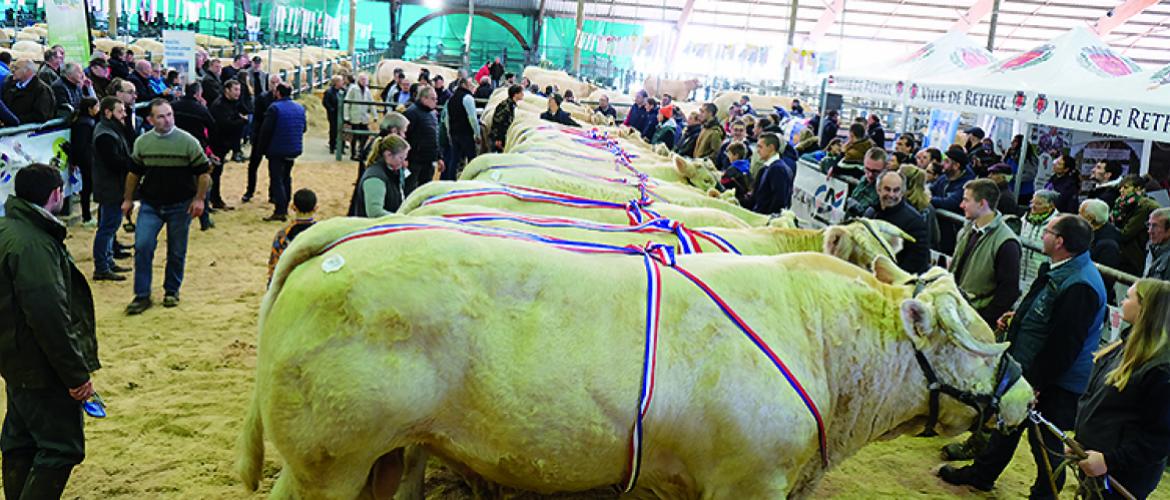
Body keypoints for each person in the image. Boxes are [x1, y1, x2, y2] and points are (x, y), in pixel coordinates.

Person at [940, 214, 1105, 499]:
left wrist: (1035, 384)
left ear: (1060, 241)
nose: (1042, 235)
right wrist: (1019, 319)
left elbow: (1064, 345)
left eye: (1048, 232)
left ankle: (1046, 493)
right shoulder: (1062, 271)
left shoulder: (1080, 284)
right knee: (1009, 425)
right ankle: (982, 475)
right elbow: (1051, 318)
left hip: (1055, 382)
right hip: (1033, 369)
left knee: (1045, 444)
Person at [0, 164, 101, 500]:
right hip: (39, 363)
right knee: (61, 448)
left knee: (20, 440)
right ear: (56, 194)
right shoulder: (35, 245)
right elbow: (49, 315)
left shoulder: (7, 229)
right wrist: (75, 375)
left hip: (13, 357)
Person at [1073, 279, 1170, 500]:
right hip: (1097, 460)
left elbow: (1158, 440)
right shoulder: (1126, 347)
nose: (1122, 302)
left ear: (1145, 308)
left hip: (1122, 475)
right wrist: (1084, 442)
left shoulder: (1161, 370)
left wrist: (1109, 460)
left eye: (1128, 297)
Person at [122, 99, 211, 314]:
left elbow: (204, 173)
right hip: (151, 204)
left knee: (176, 250)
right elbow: (134, 173)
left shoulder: (188, 142)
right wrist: (127, 199)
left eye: (169, 114)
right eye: (161, 116)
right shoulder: (142, 143)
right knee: (142, 247)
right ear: (150, 119)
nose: (167, 120)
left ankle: (171, 290)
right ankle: (142, 295)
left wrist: (199, 199)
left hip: (180, 205)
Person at [91, 97, 134, 281]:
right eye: (120, 111)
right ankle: (101, 266)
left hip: (112, 185)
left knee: (109, 226)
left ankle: (107, 261)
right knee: (108, 227)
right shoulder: (105, 135)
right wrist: (134, 164)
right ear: (108, 113)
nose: (123, 114)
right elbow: (114, 163)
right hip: (110, 186)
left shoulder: (111, 130)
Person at [864, 169, 930, 273]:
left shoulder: (914, 221)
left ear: (902, 192)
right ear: (878, 189)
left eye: (896, 190)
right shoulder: (870, 212)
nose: (891, 195)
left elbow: (916, 262)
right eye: (887, 189)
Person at [256, 84, 306, 222]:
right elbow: (304, 128)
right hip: (293, 148)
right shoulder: (300, 108)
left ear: (278, 93)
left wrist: (261, 149)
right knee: (286, 177)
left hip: (277, 149)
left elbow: (266, 131)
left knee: (276, 179)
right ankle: (285, 205)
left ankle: (280, 210)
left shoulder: (274, 108)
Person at [207, 80, 248, 210]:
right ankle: (213, 200)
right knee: (214, 173)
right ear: (227, 90)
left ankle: (215, 199)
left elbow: (246, 110)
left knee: (217, 173)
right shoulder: (219, 106)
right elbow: (225, 125)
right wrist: (242, 121)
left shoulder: (233, 103)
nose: (238, 93)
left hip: (225, 143)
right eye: (235, 90)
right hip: (216, 143)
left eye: (239, 90)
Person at [243, 74, 282, 203]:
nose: (275, 85)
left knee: (274, 168)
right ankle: (250, 191)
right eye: (272, 82)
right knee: (253, 165)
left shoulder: (282, 99)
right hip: (260, 135)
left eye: (277, 82)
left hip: (275, 137)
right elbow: (256, 118)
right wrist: (254, 135)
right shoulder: (262, 98)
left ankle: (273, 194)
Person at [930, 147, 976, 254]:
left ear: (956, 165)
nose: (942, 164)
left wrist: (929, 199)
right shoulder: (944, 177)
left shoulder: (967, 184)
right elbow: (930, 189)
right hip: (940, 227)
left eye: (946, 162)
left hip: (953, 230)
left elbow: (950, 202)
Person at [267, 188, 317, 285]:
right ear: (315, 208)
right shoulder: (322, 232)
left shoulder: (282, 235)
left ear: (293, 207)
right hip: (315, 280)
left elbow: (275, 264)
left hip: (291, 281)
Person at [1114, 175, 1162, 277]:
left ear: (1138, 188)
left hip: (1132, 257)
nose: (1121, 190)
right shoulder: (1122, 203)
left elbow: (1126, 233)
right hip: (1123, 254)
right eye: (1121, 187)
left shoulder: (1143, 206)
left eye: (1126, 187)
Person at [354, 135, 410, 218]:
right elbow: (375, 212)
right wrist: (402, 219)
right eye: (401, 158)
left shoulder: (393, 171)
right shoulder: (375, 178)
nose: (403, 162)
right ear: (388, 154)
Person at [1080, 199, 1122, 305]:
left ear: (1091, 219)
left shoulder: (1109, 246)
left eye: (1080, 214)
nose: (1077, 217)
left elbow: (1105, 281)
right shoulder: (1088, 234)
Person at [402, 85, 442, 195]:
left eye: (436, 99)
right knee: (410, 188)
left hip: (429, 159)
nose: (436, 101)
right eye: (433, 99)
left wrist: (439, 157)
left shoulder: (433, 114)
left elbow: (435, 137)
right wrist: (404, 158)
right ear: (424, 98)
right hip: (414, 160)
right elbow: (404, 136)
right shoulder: (411, 113)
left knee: (425, 189)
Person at [1021, 190, 1061, 287]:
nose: (1033, 206)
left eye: (1038, 204)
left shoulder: (1057, 223)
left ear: (1051, 206)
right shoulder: (1024, 218)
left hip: (1040, 275)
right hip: (1020, 271)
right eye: (1032, 202)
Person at [441, 77, 478, 181]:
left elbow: (447, 118)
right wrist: (477, 134)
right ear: (464, 85)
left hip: (454, 133)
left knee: (454, 159)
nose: (472, 87)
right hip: (466, 133)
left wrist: (449, 133)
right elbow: (472, 118)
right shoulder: (468, 98)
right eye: (471, 85)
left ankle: (451, 180)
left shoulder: (451, 99)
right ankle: (471, 180)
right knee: (471, 158)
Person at [747, 133, 793, 215]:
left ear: (771, 147)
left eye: (760, 147)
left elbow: (779, 201)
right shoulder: (766, 168)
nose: (757, 150)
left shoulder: (778, 169)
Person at [2, 60, 56, 124]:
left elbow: (40, 115)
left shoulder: (42, 90)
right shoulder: (10, 84)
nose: (12, 70)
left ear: (28, 71)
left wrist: (14, 120)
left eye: (16, 68)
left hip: (26, 131)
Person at [845, 147, 886, 217]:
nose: (870, 175)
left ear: (885, 168)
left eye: (875, 171)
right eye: (867, 169)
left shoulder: (885, 189)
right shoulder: (863, 179)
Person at [344, 73, 374, 162]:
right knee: (354, 135)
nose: (364, 81)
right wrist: (346, 116)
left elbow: (371, 103)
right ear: (359, 80)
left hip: (363, 117)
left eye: (365, 79)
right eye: (362, 79)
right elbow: (347, 102)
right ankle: (353, 153)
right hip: (354, 116)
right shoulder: (353, 89)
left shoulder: (367, 90)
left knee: (365, 134)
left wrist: (375, 115)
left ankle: (360, 151)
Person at [490, 84, 523, 153]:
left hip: (505, 136)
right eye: (520, 92)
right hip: (500, 138)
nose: (522, 94)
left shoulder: (511, 105)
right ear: (515, 94)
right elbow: (498, 122)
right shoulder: (505, 106)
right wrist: (498, 139)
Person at [1143, 208, 1170, 281]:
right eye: (1149, 225)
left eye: (1155, 226)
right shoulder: (1155, 250)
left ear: (1168, 230)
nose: (1149, 231)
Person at [322, 75, 345, 155]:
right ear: (336, 82)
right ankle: (332, 146)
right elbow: (325, 102)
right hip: (333, 114)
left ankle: (341, 147)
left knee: (343, 130)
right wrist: (331, 109)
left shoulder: (343, 91)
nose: (343, 82)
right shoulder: (329, 92)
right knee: (333, 130)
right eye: (341, 81)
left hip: (342, 113)